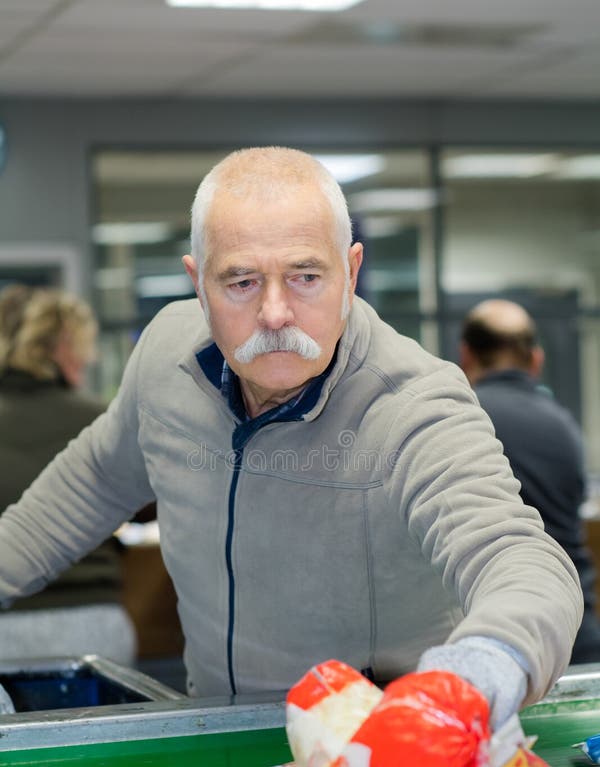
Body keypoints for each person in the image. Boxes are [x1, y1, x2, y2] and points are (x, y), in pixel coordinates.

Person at [0, 148, 583, 728]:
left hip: (375, 748)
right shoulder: (164, 360)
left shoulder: (413, 405)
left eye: (305, 277)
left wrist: (481, 667)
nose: (275, 313)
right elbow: (88, 486)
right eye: (242, 282)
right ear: (198, 283)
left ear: (351, 273)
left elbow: (518, 560)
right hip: (211, 732)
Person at [0, 284, 137, 666]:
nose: (88, 359)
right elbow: (150, 502)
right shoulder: (101, 420)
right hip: (92, 620)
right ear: (62, 348)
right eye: (82, 349)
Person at [460, 298, 600, 663]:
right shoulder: (565, 426)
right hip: (577, 633)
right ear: (536, 359)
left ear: (466, 356)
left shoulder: (461, 421)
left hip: (504, 643)